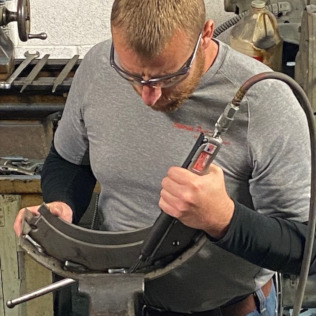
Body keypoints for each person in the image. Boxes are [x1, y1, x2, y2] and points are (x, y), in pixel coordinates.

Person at [14, 0, 315, 315]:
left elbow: (308, 248)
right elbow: (68, 161)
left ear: (206, 34)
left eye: (167, 77)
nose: (148, 96)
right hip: (123, 302)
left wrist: (225, 219)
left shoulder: (266, 100)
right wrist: (63, 204)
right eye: (131, 75)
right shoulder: (99, 66)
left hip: (229, 308)